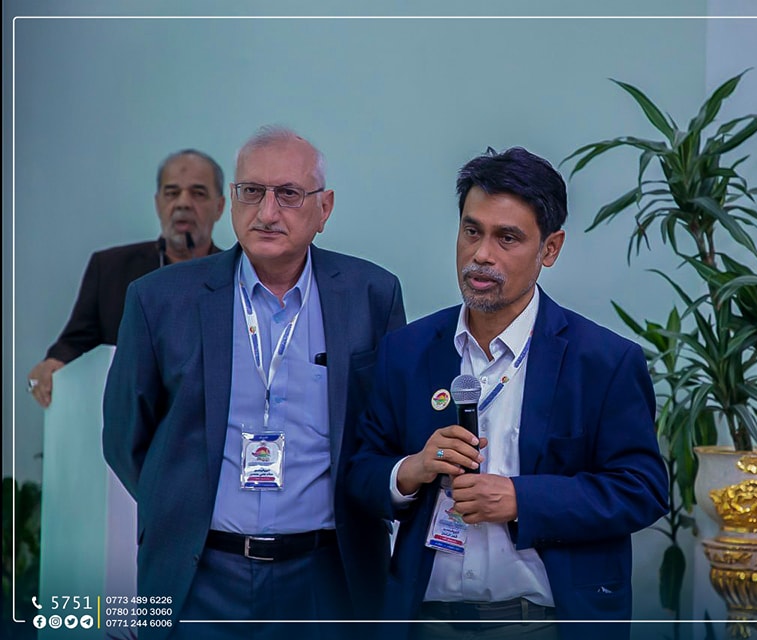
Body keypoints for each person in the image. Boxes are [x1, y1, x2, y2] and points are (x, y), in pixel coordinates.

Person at [346, 147, 668, 640]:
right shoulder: (407, 351)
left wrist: (521, 499)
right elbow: (362, 470)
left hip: (547, 624)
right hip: (425, 621)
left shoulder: (602, 361)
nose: (481, 254)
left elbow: (641, 489)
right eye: (472, 231)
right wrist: (410, 470)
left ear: (550, 248)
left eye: (507, 238)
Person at [102, 126, 405, 639]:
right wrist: (180, 501)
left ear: (324, 208)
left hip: (328, 576)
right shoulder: (160, 300)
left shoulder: (371, 295)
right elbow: (125, 438)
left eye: (288, 194)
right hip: (200, 577)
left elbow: (388, 430)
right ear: (233, 199)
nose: (267, 212)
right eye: (251, 192)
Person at [26, 148, 226, 407]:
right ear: (158, 203)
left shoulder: (235, 274)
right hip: (128, 415)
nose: (183, 203)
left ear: (219, 207)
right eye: (172, 193)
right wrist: (52, 364)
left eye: (198, 193)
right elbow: (74, 345)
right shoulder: (110, 268)